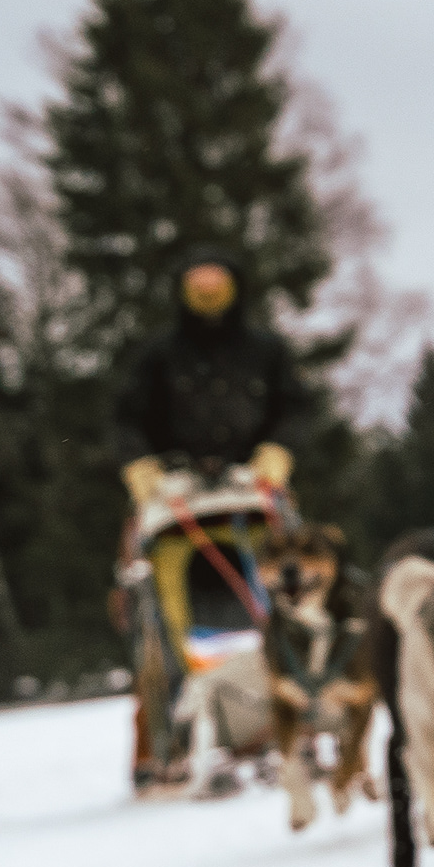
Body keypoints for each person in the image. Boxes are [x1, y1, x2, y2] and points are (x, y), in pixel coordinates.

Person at [114, 248, 307, 788]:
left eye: (215, 280)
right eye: (196, 281)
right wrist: (140, 466)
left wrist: (278, 451)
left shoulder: (266, 350)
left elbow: (296, 406)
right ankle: (170, 739)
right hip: (175, 498)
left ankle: (299, 720)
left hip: (254, 491)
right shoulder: (157, 356)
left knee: (294, 596)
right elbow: (125, 418)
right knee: (160, 615)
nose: (206, 290)